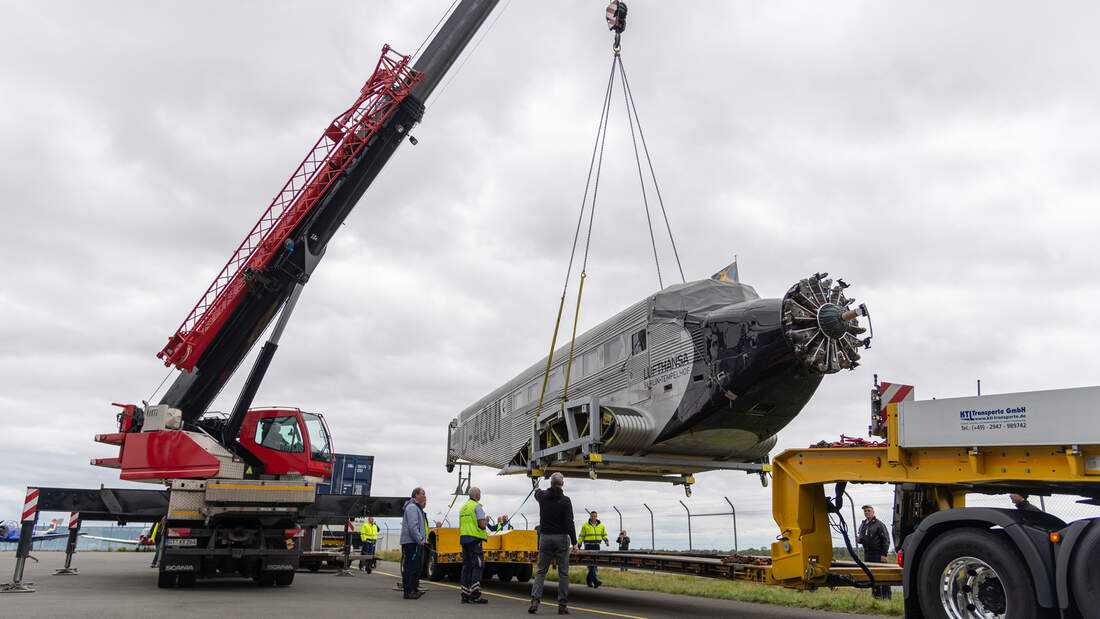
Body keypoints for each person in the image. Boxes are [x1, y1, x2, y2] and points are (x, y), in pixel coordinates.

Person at [529, 473, 577, 615]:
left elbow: (536, 492)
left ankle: (535, 601)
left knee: (541, 571)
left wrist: (534, 483)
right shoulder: (566, 500)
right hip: (561, 538)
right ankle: (562, 605)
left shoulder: (543, 497)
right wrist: (574, 543)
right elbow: (570, 523)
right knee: (563, 573)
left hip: (545, 538)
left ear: (550, 483)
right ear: (562, 484)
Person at [458, 487, 491, 605]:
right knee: (478, 565)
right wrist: (486, 521)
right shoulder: (477, 507)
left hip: (464, 539)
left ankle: (465, 595)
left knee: (466, 567)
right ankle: (475, 595)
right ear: (477, 495)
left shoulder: (463, 508)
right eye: (480, 494)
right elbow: (482, 525)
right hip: (474, 540)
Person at [856, 505, 892, 600]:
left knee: (882, 575)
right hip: (867, 554)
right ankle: (876, 596)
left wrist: (884, 554)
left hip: (878, 554)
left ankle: (886, 597)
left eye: (868, 511)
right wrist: (859, 540)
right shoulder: (863, 524)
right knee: (871, 575)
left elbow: (886, 540)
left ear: (873, 512)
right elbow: (863, 538)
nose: (867, 512)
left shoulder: (879, 524)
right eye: (865, 511)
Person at [400, 487, 428, 599]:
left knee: (417, 567)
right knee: (410, 567)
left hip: (416, 542)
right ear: (416, 495)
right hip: (412, 542)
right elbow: (413, 526)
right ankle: (408, 591)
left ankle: (414, 589)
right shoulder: (412, 507)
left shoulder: (418, 508)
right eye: (423, 494)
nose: (425, 496)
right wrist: (419, 539)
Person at [579, 511, 609, 588]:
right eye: (592, 516)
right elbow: (581, 536)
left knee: (594, 564)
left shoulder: (601, 526)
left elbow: (604, 534)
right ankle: (595, 580)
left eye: (595, 516)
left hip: (597, 546)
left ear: (596, 517)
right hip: (588, 546)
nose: (593, 517)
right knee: (591, 564)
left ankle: (589, 581)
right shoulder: (585, 525)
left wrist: (606, 541)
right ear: (590, 516)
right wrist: (579, 545)